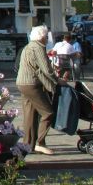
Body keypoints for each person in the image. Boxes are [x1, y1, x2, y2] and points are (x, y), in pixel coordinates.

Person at [16, 25, 60, 155]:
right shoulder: (38, 47)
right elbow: (46, 69)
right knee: (48, 112)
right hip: (32, 84)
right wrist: (57, 80)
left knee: (30, 114)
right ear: (42, 37)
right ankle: (40, 143)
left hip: (22, 83)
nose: (47, 39)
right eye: (46, 37)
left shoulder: (28, 46)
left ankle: (27, 144)